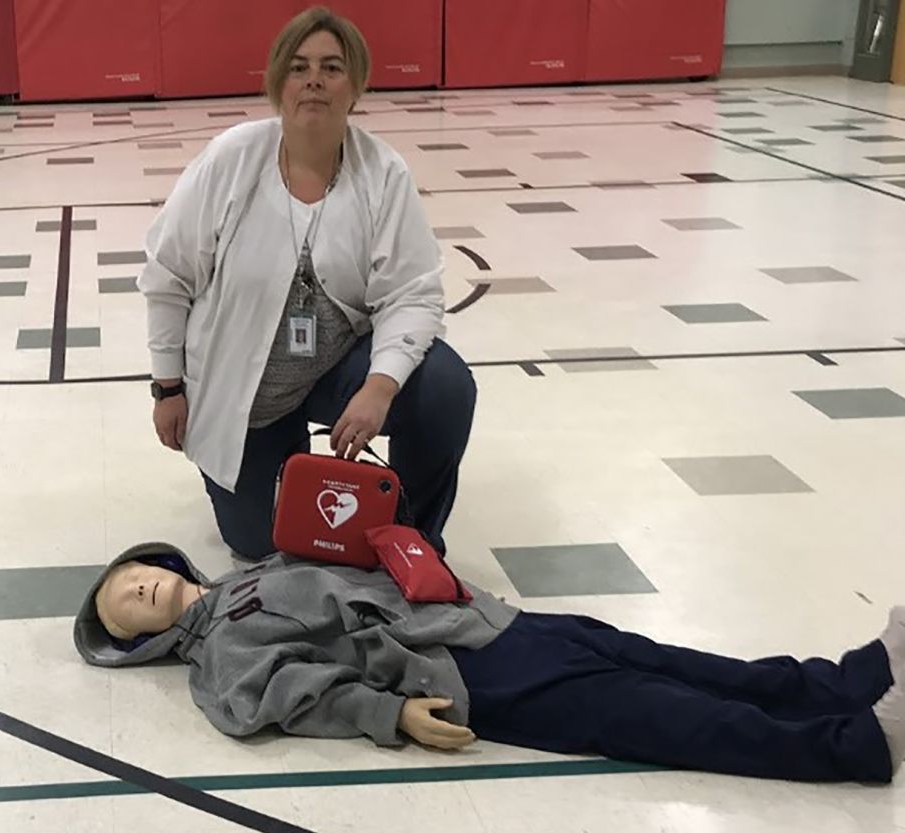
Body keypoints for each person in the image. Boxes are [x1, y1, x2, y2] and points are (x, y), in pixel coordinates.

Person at [74, 544, 904, 784]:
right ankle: (858, 744)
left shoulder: (250, 568)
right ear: (141, 639)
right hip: (465, 677)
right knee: (658, 712)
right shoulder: (218, 657)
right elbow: (289, 695)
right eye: (128, 604)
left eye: (134, 576)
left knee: (667, 658)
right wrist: (387, 713)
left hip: (485, 618)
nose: (139, 587)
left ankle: (849, 677)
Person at [139, 7, 475, 561]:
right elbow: (166, 277)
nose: (314, 79)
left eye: (331, 67)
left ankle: (415, 539)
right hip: (245, 396)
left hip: (338, 370)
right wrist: (168, 389)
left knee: (443, 387)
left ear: (356, 86)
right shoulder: (231, 159)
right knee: (259, 546)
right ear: (277, 84)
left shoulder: (382, 174)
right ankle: (282, 455)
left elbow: (414, 293)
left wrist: (379, 387)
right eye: (298, 68)